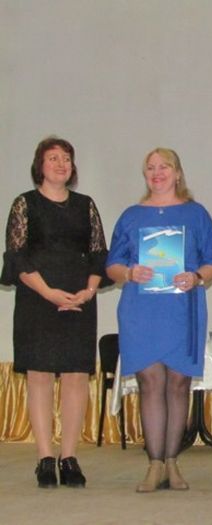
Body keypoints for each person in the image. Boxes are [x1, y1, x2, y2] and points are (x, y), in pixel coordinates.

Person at [106, 148, 212, 492]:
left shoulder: (196, 213)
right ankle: (154, 464)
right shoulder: (131, 216)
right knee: (150, 383)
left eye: (164, 167)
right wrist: (129, 273)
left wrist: (196, 277)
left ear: (177, 173)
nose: (157, 173)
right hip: (141, 311)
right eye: (151, 168)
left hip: (182, 310)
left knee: (178, 383)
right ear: (145, 174)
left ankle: (172, 462)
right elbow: (112, 265)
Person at [0, 136, 109, 488]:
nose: (61, 164)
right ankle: (45, 458)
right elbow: (16, 257)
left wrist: (88, 291)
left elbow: (99, 254)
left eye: (66, 158)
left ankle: (69, 456)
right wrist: (48, 293)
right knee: (40, 376)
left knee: (76, 376)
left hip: (78, 299)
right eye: (53, 158)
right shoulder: (25, 204)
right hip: (38, 299)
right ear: (40, 166)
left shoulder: (85, 205)